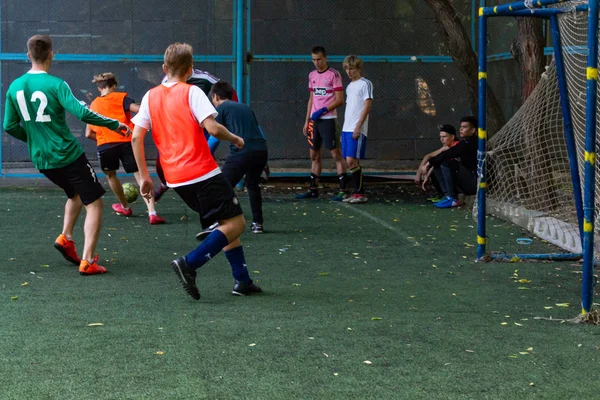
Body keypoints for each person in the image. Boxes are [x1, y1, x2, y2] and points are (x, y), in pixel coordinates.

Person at [131, 42, 262, 299]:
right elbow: (213, 129)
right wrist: (235, 139)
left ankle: (242, 281)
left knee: (225, 222)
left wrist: (145, 177)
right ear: (190, 69)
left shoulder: (150, 96)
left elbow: (136, 137)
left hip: (174, 178)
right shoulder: (191, 92)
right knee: (236, 223)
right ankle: (189, 264)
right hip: (201, 172)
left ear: (164, 68)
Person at [3, 35, 132, 275]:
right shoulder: (56, 84)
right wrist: (115, 125)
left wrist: (33, 139)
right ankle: (88, 261)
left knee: (74, 193)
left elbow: (9, 126)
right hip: (67, 155)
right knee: (94, 203)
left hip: (42, 159)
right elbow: (82, 113)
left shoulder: (14, 87)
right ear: (52, 54)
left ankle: (66, 238)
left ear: (28, 55)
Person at [85, 72, 165, 225]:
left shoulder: (94, 104)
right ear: (114, 85)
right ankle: (152, 213)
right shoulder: (122, 98)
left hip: (105, 145)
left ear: (99, 88)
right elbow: (140, 110)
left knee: (111, 175)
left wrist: (103, 137)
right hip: (127, 142)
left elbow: (88, 133)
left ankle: (125, 207)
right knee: (140, 176)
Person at [153, 69, 239, 201]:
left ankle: (215, 194)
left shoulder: (203, 78)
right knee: (161, 160)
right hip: (177, 129)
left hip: (200, 127)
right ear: (166, 67)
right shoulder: (166, 81)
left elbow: (227, 90)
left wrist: (230, 111)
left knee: (204, 158)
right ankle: (165, 183)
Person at [209, 81, 268, 234]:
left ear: (215, 96)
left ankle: (221, 222)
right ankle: (257, 223)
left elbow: (215, 136)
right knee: (252, 184)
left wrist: (206, 155)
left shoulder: (221, 108)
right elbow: (259, 131)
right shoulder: (245, 107)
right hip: (261, 150)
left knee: (223, 186)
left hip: (242, 151)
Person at [297, 46, 348, 200]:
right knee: (314, 154)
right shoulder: (312, 75)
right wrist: (308, 120)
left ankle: (343, 190)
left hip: (328, 120)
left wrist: (323, 110)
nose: (316, 62)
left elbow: (339, 100)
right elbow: (311, 99)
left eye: (319, 59)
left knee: (335, 154)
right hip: (314, 121)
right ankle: (313, 189)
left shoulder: (334, 74)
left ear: (325, 58)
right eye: (313, 59)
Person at [340, 55, 373, 204]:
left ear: (358, 68)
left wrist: (358, 126)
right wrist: (344, 130)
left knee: (352, 161)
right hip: (347, 129)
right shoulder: (349, 86)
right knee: (350, 162)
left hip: (356, 128)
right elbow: (350, 109)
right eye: (346, 68)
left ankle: (360, 193)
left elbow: (367, 105)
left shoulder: (365, 84)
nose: (349, 71)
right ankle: (357, 193)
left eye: (351, 68)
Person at [429, 116, 479, 208]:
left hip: (473, 184)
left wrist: (429, 163)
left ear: (472, 130)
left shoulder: (470, 143)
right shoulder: (465, 142)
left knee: (446, 162)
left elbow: (447, 154)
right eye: (461, 126)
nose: (461, 129)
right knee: (438, 164)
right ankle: (447, 196)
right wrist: (430, 163)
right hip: (466, 181)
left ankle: (452, 198)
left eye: (464, 127)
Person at [414, 125, 459, 201]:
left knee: (443, 163)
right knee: (436, 167)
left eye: (444, 137)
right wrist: (423, 174)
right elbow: (429, 156)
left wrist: (427, 168)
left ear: (452, 137)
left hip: (462, 177)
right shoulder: (445, 147)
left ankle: (451, 196)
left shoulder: (457, 145)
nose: (441, 139)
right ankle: (445, 195)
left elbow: (438, 159)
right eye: (440, 137)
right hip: (455, 175)